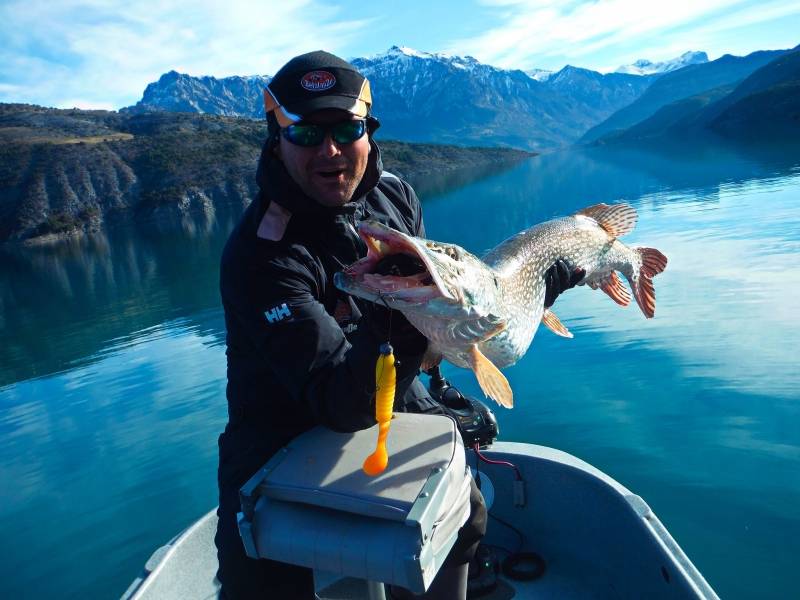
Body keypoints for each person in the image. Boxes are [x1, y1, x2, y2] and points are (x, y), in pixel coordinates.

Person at [215, 50, 581, 600]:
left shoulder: (394, 196)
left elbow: (432, 329)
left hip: (386, 386)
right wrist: (416, 319)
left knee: (464, 514)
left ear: (369, 130)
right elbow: (336, 402)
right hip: (282, 436)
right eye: (308, 134)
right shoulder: (263, 256)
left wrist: (529, 296)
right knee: (269, 578)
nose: (332, 149)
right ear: (276, 137)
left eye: (347, 128)